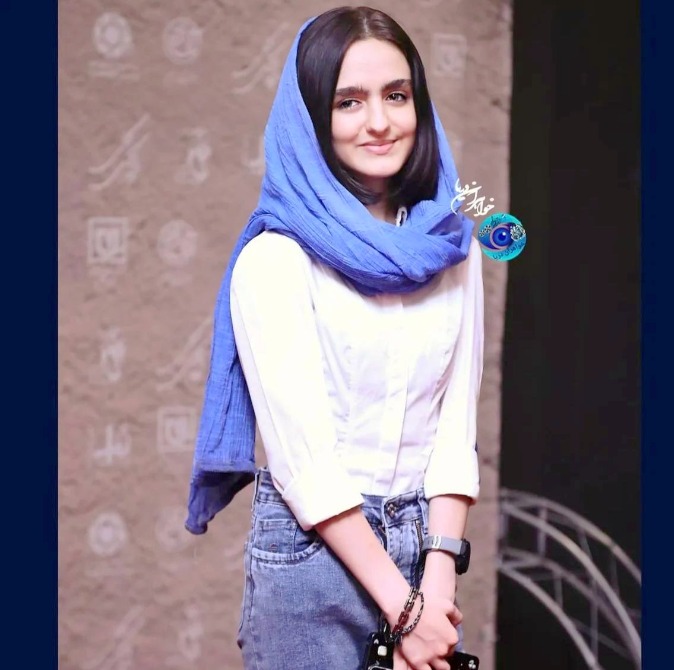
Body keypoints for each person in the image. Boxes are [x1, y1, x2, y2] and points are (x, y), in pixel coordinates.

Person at [185, 6, 484, 670]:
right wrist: (406, 613)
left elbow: (454, 431)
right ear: (311, 118)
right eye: (348, 101)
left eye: (396, 95)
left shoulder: (454, 247)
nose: (379, 121)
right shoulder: (275, 258)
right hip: (313, 557)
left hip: (429, 551)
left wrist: (436, 586)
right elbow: (305, 465)